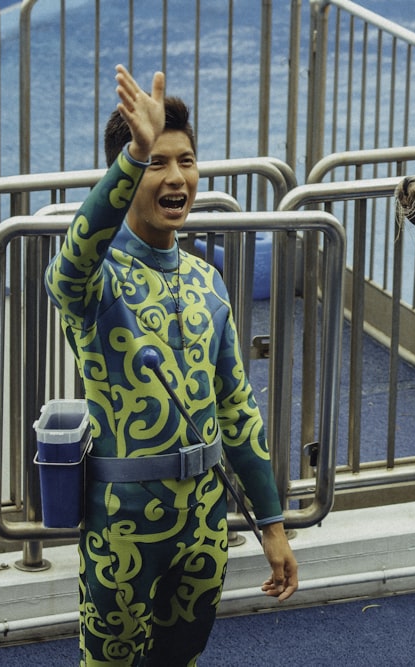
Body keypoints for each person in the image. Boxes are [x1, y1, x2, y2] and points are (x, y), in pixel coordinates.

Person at [44, 65, 298, 666]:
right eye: (156, 163)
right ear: (124, 173)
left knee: (180, 657)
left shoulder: (207, 281)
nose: (175, 177)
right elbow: (72, 259)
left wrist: (271, 521)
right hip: (124, 525)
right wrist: (135, 150)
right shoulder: (97, 280)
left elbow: (236, 406)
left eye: (185, 160)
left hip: (206, 523)